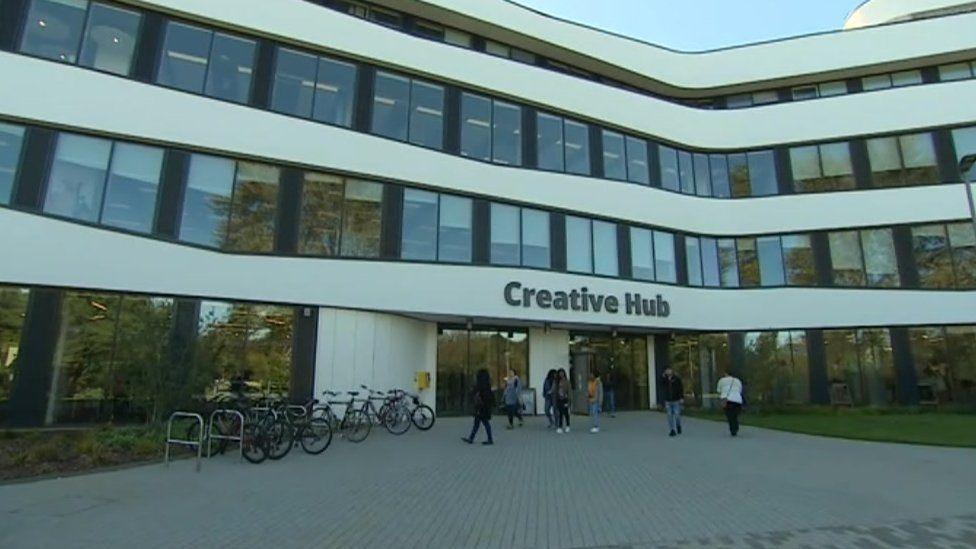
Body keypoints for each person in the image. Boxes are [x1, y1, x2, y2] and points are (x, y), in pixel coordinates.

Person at [462, 369, 495, 445]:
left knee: (481, 423)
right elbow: (491, 398)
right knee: (481, 423)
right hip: (485, 408)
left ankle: (487, 439)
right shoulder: (488, 385)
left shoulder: (479, 386)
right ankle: (472, 438)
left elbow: (474, 394)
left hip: (480, 408)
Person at [716, 369, 744, 437]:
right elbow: (740, 390)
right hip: (737, 400)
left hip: (727, 400)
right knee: (735, 415)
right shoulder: (737, 380)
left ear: (726, 374)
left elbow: (719, 390)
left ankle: (733, 429)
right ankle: (735, 427)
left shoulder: (722, 380)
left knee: (729, 416)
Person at [661, 368, 684, 437]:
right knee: (669, 415)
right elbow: (661, 385)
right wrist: (663, 377)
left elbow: (680, 389)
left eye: (669, 370)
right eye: (667, 370)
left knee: (677, 415)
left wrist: (681, 398)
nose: (668, 372)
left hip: (676, 400)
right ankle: (672, 430)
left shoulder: (677, 379)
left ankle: (678, 425)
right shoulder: (664, 380)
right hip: (668, 400)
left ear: (672, 371)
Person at [554, 368, 571, 433]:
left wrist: (569, 401)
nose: (561, 374)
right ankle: (560, 426)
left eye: (562, 373)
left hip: (565, 399)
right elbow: (555, 390)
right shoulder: (557, 381)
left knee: (566, 413)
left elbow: (569, 391)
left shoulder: (567, 381)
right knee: (560, 413)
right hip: (559, 399)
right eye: (560, 373)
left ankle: (568, 426)